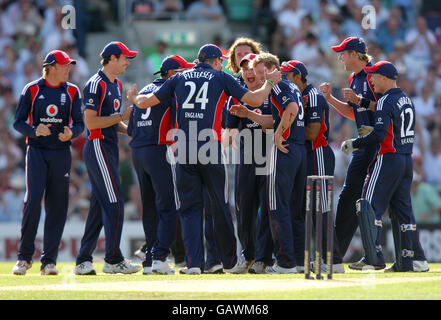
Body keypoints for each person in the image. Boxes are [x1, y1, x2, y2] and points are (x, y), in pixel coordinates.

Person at [127, 44, 281, 274]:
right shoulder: (220, 77)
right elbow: (256, 101)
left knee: (189, 209)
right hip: (209, 144)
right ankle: (227, 262)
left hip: (184, 147)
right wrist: (270, 83)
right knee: (219, 204)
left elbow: (145, 102)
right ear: (217, 61)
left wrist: (134, 97)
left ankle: (194, 264)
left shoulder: (179, 78)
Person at [341, 61, 429, 272]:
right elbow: (392, 124)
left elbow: (380, 135)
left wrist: (355, 143)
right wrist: (361, 102)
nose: (370, 79)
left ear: (384, 78)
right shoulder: (406, 99)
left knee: (368, 205)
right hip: (406, 160)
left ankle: (374, 258)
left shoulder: (384, 101)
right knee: (402, 211)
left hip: (388, 158)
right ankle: (413, 260)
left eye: (374, 76)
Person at [230, 52, 306, 274]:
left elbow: (290, 111)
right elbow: (274, 119)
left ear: (274, 68)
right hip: (298, 149)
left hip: (285, 150)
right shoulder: (291, 86)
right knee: (292, 209)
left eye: (263, 72)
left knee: (276, 207)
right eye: (258, 73)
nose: (261, 77)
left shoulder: (279, 86)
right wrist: (247, 113)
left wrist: (279, 135)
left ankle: (285, 263)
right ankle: (298, 260)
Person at [12, 50, 84, 275]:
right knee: (33, 200)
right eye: (63, 65)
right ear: (50, 67)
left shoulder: (72, 91)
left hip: (61, 153)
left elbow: (80, 124)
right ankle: (24, 259)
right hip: (37, 151)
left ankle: (49, 262)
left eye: (68, 65)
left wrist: (70, 133)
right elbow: (18, 122)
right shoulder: (32, 89)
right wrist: (35, 131)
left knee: (58, 205)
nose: (68, 69)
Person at [74, 42, 142, 275]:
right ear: (112, 58)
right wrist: (120, 117)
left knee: (98, 207)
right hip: (98, 146)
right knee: (114, 204)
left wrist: (131, 127)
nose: (128, 62)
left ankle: (83, 260)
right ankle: (113, 259)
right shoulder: (96, 84)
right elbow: (91, 123)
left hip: (108, 147)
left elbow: (115, 123)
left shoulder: (116, 83)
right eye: (125, 57)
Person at [127, 54, 195, 275]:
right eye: (183, 72)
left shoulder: (145, 90)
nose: (187, 76)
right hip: (159, 150)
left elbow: (130, 129)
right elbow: (179, 125)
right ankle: (160, 257)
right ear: (172, 74)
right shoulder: (171, 92)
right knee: (169, 207)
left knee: (149, 208)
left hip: (137, 151)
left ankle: (149, 260)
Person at [319, 37, 379, 267]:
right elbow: (356, 114)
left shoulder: (376, 75)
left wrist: (360, 100)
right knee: (348, 200)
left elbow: (387, 107)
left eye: (342, 53)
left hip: (380, 146)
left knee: (381, 201)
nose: (339, 57)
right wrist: (330, 99)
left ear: (354, 54)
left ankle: (409, 256)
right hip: (363, 145)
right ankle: (333, 259)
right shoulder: (354, 78)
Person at [281, 59, 345, 273]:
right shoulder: (298, 96)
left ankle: (333, 260)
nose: (282, 79)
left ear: (298, 76)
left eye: (286, 75)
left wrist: (284, 130)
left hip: (317, 153)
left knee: (320, 209)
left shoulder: (313, 96)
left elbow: (312, 133)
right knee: (303, 209)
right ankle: (306, 258)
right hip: (306, 154)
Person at [224, 52, 274, 274]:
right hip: (247, 154)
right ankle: (249, 256)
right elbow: (230, 130)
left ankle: (264, 258)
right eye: (244, 69)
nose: (248, 72)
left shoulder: (274, 93)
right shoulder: (237, 96)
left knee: (268, 205)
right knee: (244, 206)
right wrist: (235, 140)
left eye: (252, 68)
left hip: (270, 153)